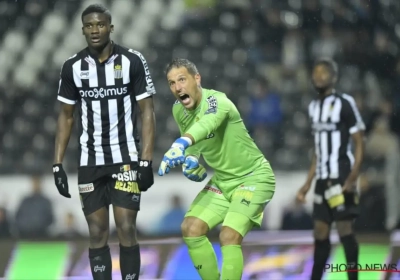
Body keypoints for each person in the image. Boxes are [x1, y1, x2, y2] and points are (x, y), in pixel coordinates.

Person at [52, 4, 156, 280]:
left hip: (125, 160)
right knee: (97, 232)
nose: (95, 30)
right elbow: (66, 117)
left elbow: (147, 111)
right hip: (90, 162)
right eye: (89, 25)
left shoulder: (133, 60)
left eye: (100, 25)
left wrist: (145, 160)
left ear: (111, 28)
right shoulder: (72, 67)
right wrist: (57, 164)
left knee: (125, 227)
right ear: (82, 30)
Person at [158, 58, 275, 280]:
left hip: (254, 177)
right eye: (172, 83)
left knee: (229, 235)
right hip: (223, 180)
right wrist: (190, 159)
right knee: (191, 228)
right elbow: (195, 138)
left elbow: (206, 125)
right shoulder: (178, 110)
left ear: (197, 78)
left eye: (182, 79)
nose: (177, 87)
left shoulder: (218, 101)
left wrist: (179, 145)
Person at [296, 58, 365, 280]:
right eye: (315, 73)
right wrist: (307, 183)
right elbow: (318, 149)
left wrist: (353, 176)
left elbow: (359, 141)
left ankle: (353, 277)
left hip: (341, 176)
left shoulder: (344, 103)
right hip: (322, 180)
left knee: (345, 229)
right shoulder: (313, 107)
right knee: (320, 231)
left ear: (333, 78)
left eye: (323, 73)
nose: (318, 77)